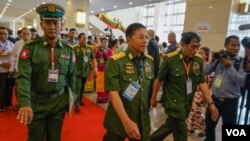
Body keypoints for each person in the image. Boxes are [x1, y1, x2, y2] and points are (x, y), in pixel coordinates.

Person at [16, 3, 76, 141]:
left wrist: (72, 100)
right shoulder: (30, 48)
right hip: (36, 103)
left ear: (62, 24)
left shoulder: (68, 49)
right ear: (41, 24)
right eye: (48, 22)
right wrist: (25, 103)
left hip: (58, 103)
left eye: (56, 22)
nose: (52, 27)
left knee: (55, 138)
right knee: (35, 138)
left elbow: (72, 77)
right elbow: (23, 77)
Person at [150, 32, 218, 141]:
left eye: (198, 47)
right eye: (193, 46)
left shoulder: (198, 60)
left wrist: (210, 103)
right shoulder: (170, 59)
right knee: (181, 135)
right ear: (183, 44)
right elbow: (159, 80)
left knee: (170, 126)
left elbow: (202, 82)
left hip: (187, 104)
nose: (196, 50)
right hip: (173, 104)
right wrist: (153, 98)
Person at [103, 23, 154, 141]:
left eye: (146, 37)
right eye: (140, 37)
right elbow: (113, 94)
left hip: (141, 118)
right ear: (128, 39)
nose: (145, 40)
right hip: (119, 118)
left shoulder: (149, 61)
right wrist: (126, 121)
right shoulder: (116, 62)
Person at [204, 35, 246, 141]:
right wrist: (213, 60)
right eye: (233, 45)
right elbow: (205, 71)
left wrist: (230, 67)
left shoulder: (241, 62)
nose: (236, 48)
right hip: (215, 100)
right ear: (225, 45)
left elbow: (242, 82)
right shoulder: (219, 59)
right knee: (209, 127)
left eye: (238, 45)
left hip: (231, 102)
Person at [186, 47, 211, 137]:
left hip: (202, 92)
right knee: (191, 110)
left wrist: (206, 95)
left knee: (197, 111)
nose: (199, 54)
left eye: (202, 53)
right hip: (193, 90)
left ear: (207, 55)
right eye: (199, 52)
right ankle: (191, 128)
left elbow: (208, 81)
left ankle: (203, 128)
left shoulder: (208, 66)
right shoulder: (196, 63)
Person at [74, 33, 96, 112]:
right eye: (83, 38)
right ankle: (76, 104)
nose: (85, 40)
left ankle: (80, 99)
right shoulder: (74, 48)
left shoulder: (90, 48)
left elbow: (93, 58)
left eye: (86, 38)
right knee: (77, 88)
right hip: (77, 72)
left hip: (85, 72)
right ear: (79, 39)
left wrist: (94, 68)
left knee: (82, 87)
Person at [0, 26, 14, 112]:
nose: (3, 35)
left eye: (5, 34)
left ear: (8, 34)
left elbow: (14, 57)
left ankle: (6, 103)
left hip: (8, 71)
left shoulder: (11, 44)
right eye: (0, 33)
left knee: (7, 89)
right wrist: (2, 63)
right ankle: (1, 106)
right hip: (1, 69)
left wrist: (12, 66)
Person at [95, 37, 113, 103]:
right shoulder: (98, 50)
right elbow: (95, 56)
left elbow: (110, 59)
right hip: (100, 69)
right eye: (103, 42)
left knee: (105, 84)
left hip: (107, 70)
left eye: (105, 42)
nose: (104, 44)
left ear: (108, 43)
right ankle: (99, 98)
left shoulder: (109, 50)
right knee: (99, 84)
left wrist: (104, 52)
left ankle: (105, 98)